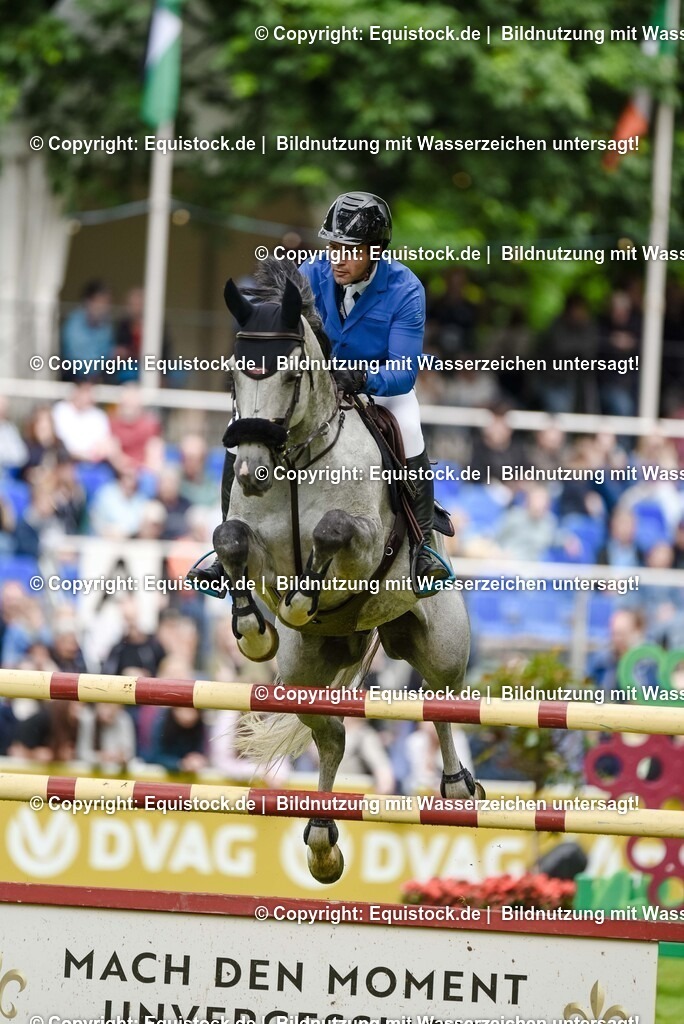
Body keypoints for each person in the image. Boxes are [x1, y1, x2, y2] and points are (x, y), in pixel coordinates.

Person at [191, 191, 450, 595]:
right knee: (239, 428)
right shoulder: (311, 274)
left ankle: (422, 549)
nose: (337, 258)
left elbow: (403, 372)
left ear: (376, 251)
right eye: (333, 247)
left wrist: (363, 379)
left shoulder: (405, 290)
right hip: (315, 387)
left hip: (376, 387)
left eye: (350, 250)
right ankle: (224, 556)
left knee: (410, 427)